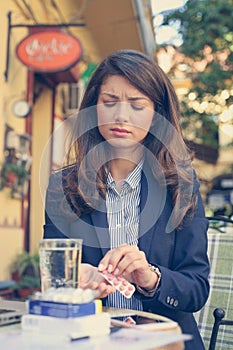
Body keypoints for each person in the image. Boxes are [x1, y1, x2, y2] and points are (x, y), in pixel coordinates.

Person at [43, 49, 210, 349]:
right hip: (90, 340)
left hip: (164, 343)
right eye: (109, 102)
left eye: (136, 105)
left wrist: (151, 278)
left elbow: (196, 288)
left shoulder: (180, 185)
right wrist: (72, 280)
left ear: (156, 114)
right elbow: (53, 279)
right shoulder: (63, 187)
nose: (121, 115)